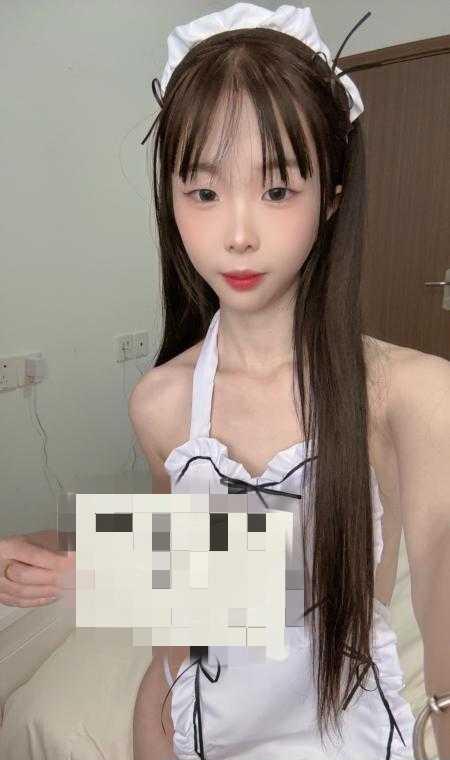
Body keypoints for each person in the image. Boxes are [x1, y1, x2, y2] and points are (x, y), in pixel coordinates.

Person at [129, 5, 421, 760]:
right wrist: (157, 706)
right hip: (202, 724)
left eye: (278, 190)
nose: (237, 235)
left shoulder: (403, 394)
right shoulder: (161, 403)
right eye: (203, 193)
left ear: (332, 194)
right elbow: (174, 597)